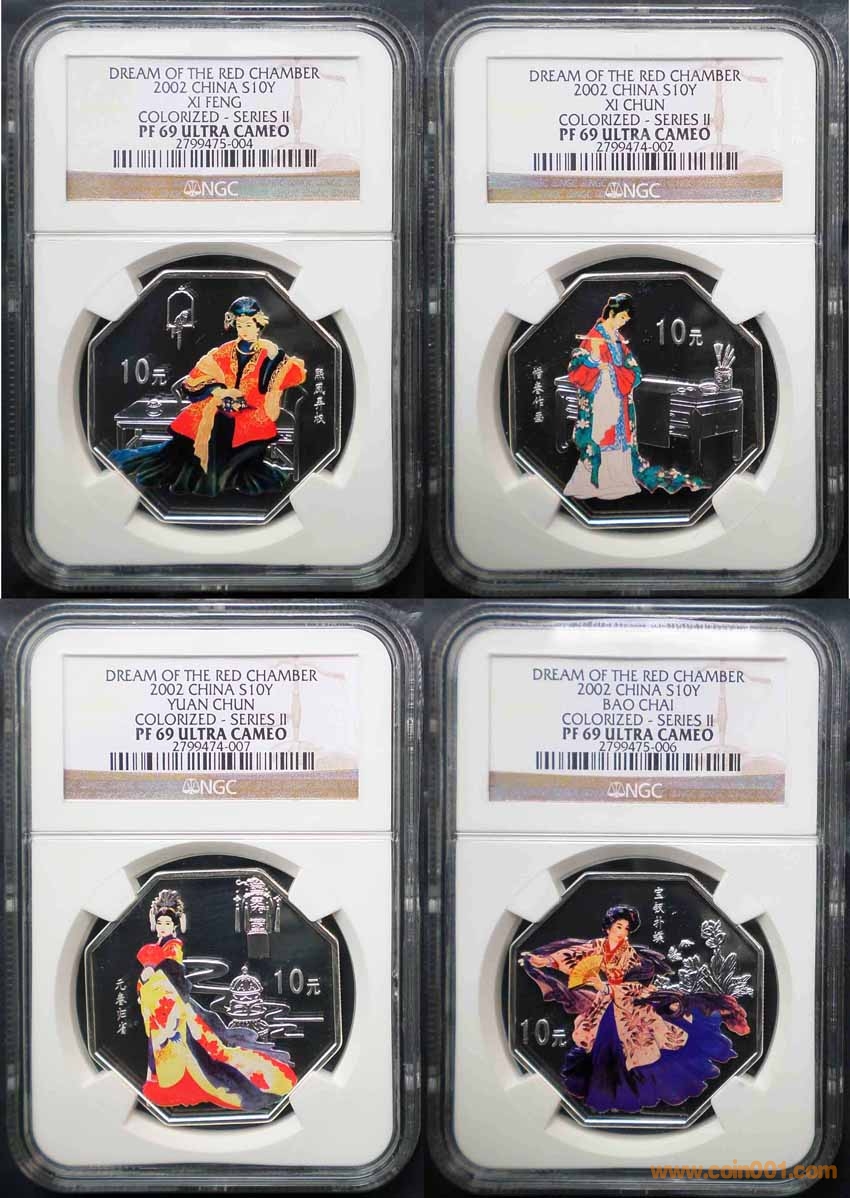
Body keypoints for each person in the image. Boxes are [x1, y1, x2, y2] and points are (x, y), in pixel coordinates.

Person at [519, 904, 749, 1115]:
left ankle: (631, 1087)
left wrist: (607, 986)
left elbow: (635, 981)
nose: (623, 932)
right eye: (619, 926)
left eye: (626, 928)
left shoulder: (629, 954)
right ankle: (604, 1086)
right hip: (607, 1001)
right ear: (608, 927)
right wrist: (546, 961)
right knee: (602, 1044)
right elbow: (573, 955)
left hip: (627, 998)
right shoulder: (596, 946)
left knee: (637, 1042)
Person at [111, 296, 306, 498]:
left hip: (253, 410)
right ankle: (201, 476)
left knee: (222, 425)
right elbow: (199, 375)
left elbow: (292, 374)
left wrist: (275, 363)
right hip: (219, 403)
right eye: (240, 326)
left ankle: (212, 479)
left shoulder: (270, 353)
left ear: (258, 325)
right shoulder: (225, 350)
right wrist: (220, 392)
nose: (244, 331)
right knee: (205, 423)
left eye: (248, 325)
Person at [136, 888, 296, 1112]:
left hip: (170, 1006)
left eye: (167, 923)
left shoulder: (172, 946)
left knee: (188, 1050)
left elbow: (174, 975)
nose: (163, 926)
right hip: (157, 1006)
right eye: (160, 922)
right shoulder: (160, 945)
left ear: (175, 925)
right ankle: (161, 1083)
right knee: (163, 1049)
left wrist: (153, 976)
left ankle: (179, 1086)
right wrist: (145, 983)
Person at [563, 293, 706, 501]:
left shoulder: (617, 338)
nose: (623, 323)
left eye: (626, 320)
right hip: (601, 400)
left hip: (618, 399)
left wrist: (617, 373)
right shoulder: (594, 336)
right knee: (603, 438)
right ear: (612, 313)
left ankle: (619, 480)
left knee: (620, 440)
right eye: (622, 318)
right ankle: (599, 482)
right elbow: (578, 371)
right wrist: (595, 362)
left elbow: (633, 368)